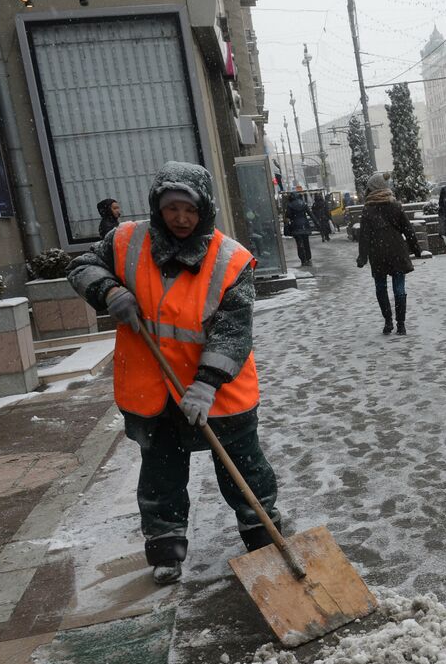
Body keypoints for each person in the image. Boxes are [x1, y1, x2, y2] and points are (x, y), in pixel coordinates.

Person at [67, 161, 285, 586]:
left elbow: (233, 330)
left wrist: (205, 385)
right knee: (162, 472)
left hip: (219, 391)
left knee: (243, 466)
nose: (181, 219)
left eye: (190, 209)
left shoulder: (230, 258)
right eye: (172, 209)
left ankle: (261, 530)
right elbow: (81, 266)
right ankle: (167, 547)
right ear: (157, 208)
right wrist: (107, 289)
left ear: (204, 209)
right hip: (153, 390)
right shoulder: (126, 240)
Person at [356, 174, 424, 335]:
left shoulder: (368, 209)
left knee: (381, 287)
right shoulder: (395, 205)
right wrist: (416, 249)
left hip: (377, 253)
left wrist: (362, 257)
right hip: (396, 251)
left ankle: (388, 321)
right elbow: (408, 230)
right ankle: (401, 324)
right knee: (399, 288)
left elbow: (364, 236)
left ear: (371, 189)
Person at [284, 192, 314, 266]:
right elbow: (311, 214)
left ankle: (303, 260)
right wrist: (317, 224)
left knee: (299, 243)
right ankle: (308, 258)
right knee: (306, 243)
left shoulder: (290, 205)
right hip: (305, 225)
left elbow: (288, 216)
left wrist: (287, 226)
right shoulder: (303, 204)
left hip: (296, 226)